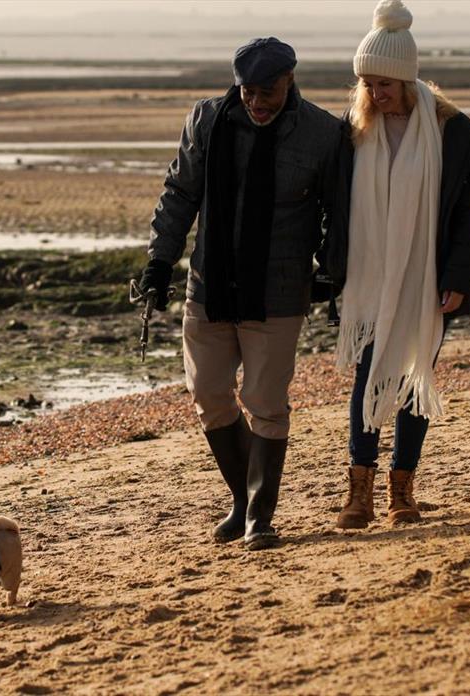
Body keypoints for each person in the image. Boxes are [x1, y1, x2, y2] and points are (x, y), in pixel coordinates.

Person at [140, 37, 351, 551]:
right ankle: (241, 497)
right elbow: (180, 194)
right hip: (209, 282)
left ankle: (260, 516)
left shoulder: (325, 134)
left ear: (290, 81)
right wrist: (158, 263)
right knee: (209, 394)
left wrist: (332, 273)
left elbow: (339, 214)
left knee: (265, 402)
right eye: (248, 92)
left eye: (267, 92)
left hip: (278, 291)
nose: (256, 102)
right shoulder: (207, 120)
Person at [332, 0, 470, 529]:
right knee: (367, 375)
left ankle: (401, 491)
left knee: (414, 376)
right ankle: (357, 494)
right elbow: (334, 207)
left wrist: (457, 278)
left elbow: (466, 219)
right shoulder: (355, 131)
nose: (374, 94)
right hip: (371, 279)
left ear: (407, 80)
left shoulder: (452, 134)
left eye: (383, 84)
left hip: (428, 279)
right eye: (366, 84)